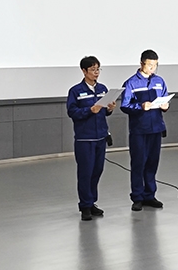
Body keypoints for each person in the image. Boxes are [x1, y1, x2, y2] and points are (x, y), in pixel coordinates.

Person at [66, 56, 116, 221]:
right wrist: (89, 110)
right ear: (84, 71)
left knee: (97, 171)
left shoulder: (103, 89)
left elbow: (104, 112)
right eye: (93, 69)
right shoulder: (75, 91)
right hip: (84, 139)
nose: (96, 73)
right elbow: (72, 112)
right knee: (85, 173)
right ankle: (85, 206)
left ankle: (91, 201)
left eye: (98, 69)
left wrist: (109, 109)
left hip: (100, 137)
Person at [121, 50, 169, 212]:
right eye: (149, 65)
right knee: (138, 163)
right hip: (139, 130)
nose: (152, 68)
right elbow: (125, 106)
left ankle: (150, 195)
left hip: (156, 128)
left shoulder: (159, 81)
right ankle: (137, 197)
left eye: (155, 65)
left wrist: (165, 106)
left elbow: (164, 98)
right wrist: (140, 106)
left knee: (152, 163)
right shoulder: (131, 83)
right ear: (142, 63)